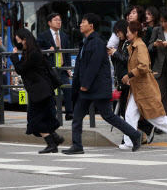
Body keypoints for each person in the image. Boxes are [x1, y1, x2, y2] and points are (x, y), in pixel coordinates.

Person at [61, 13, 143, 154]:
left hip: (96, 87)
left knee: (108, 115)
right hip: (85, 87)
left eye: (83, 22)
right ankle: (77, 145)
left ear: (91, 25)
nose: (80, 24)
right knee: (77, 115)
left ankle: (135, 135)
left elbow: (94, 65)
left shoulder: (97, 42)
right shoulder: (86, 41)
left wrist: (86, 83)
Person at [120, 21, 167, 150]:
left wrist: (129, 76)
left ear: (135, 32)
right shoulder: (134, 46)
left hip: (144, 88)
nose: (126, 34)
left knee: (154, 115)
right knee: (130, 114)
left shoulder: (140, 46)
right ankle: (130, 141)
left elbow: (143, 66)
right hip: (138, 87)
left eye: (128, 31)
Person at [10, 28, 64, 154]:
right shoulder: (31, 51)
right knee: (42, 117)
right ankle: (55, 139)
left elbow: (21, 69)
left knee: (35, 119)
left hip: (40, 91)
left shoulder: (32, 53)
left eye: (18, 40)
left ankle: (52, 143)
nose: (17, 43)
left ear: (24, 40)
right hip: (41, 90)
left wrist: (14, 57)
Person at [37, 13, 73, 121]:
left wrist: (68, 68)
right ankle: (52, 113)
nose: (59, 22)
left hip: (61, 69)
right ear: (49, 23)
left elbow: (67, 53)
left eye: (60, 20)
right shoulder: (43, 35)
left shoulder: (64, 36)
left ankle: (69, 113)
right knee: (50, 92)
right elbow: (37, 49)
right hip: (50, 69)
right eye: (56, 20)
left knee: (67, 89)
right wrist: (48, 51)